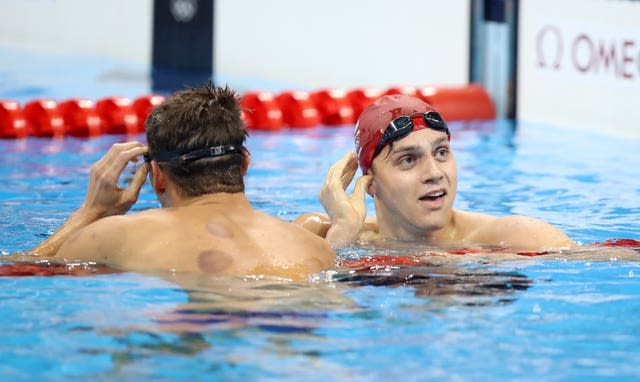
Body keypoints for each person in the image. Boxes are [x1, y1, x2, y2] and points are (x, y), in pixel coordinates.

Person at [31, 83, 334, 281]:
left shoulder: (115, 235)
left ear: (158, 176)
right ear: (244, 163)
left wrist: (89, 213)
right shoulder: (317, 249)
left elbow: (22, 272)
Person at [295, 94, 575, 251]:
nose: (434, 173)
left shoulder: (514, 238)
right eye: (408, 160)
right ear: (371, 183)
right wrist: (341, 241)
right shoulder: (317, 234)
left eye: (441, 153)